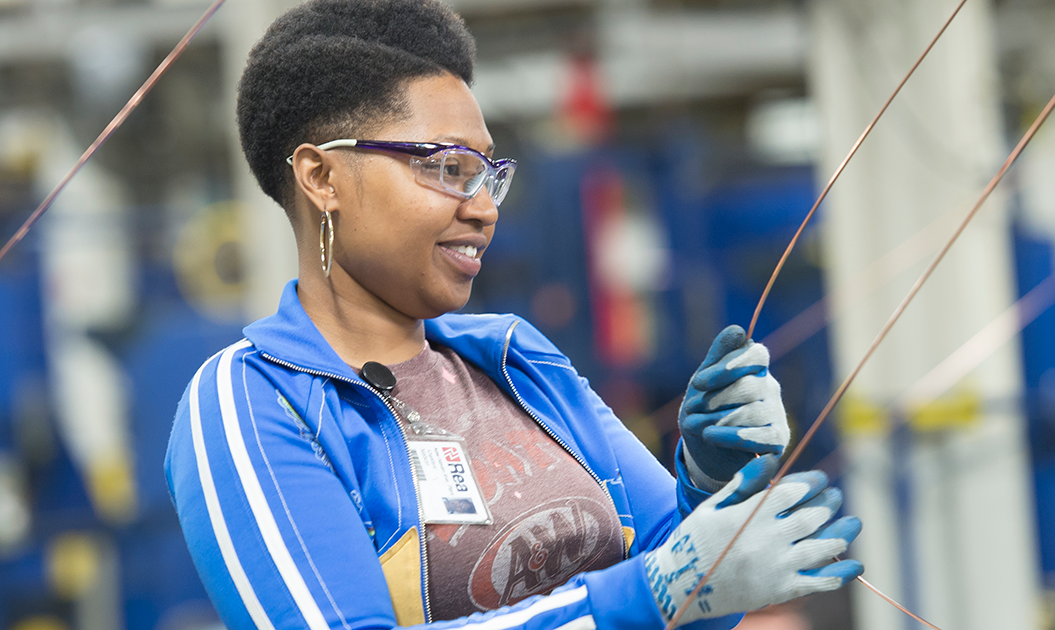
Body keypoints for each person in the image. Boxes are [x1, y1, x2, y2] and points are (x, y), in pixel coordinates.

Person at [163, 0, 864, 628]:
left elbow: (690, 607)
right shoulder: (253, 401)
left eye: (487, 173)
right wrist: (644, 596)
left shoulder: (512, 360)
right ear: (322, 177)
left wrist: (711, 486)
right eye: (445, 168)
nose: (483, 206)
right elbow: (656, 595)